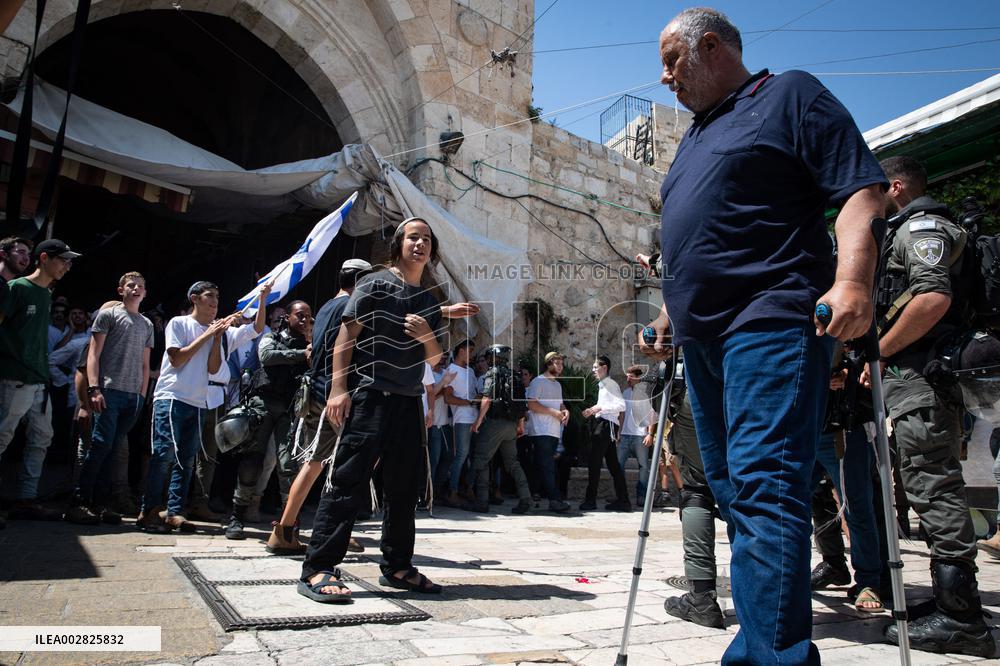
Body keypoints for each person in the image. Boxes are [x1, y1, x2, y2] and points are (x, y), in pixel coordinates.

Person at [642, 8, 887, 663]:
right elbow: (698, 236)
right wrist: (667, 316)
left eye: (671, 61)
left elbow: (862, 191)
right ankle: (760, 644)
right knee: (732, 493)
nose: (664, 77)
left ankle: (771, 657)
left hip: (770, 319)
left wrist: (853, 280)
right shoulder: (696, 135)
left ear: (710, 46)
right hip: (701, 339)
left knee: (764, 487)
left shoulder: (789, 94)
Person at [872, 156, 993, 656]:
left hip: (922, 375)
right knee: (929, 481)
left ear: (896, 186)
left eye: (877, 188)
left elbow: (931, 298)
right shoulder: (908, 228)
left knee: (933, 483)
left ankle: (961, 617)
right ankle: (953, 602)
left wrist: (880, 352)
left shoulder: (921, 229)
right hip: (917, 376)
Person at [298, 217, 443, 603]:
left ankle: (398, 566)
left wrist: (427, 336)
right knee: (347, 481)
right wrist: (338, 388)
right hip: (369, 396)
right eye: (413, 237)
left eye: (427, 239)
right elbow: (346, 337)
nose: (420, 244)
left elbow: (435, 359)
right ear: (399, 244)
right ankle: (318, 568)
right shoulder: (374, 284)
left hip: (408, 401)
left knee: (403, 489)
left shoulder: (430, 301)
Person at [139, 281, 269, 533]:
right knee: (164, 455)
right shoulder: (179, 323)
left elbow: (255, 329)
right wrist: (209, 334)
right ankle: (149, 510)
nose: (215, 302)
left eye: (217, 297)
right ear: (194, 298)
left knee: (187, 460)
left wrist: (262, 299)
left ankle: (174, 511)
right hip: (172, 397)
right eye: (210, 296)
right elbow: (177, 358)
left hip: (199, 401)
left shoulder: (223, 333)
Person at [267, 259, 371, 554]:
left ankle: (285, 530)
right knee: (350, 465)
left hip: (318, 392)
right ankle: (331, 531)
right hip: (335, 396)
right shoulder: (350, 306)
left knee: (315, 464)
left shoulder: (327, 306)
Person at [0, 239, 79, 527]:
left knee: (41, 439)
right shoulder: (17, 288)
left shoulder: (46, 294)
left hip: (38, 380)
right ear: (44, 258)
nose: (67, 266)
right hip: (14, 377)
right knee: (2, 437)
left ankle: (26, 498)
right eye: (63, 260)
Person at [65, 273, 154, 525]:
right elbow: (93, 355)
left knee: (113, 449)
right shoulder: (108, 315)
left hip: (132, 396)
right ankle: (80, 501)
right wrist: (94, 389)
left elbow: (145, 364)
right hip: (108, 391)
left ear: (145, 292)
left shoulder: (147, 324)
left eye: (140, 286)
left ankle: (101, 504)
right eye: (131, 285)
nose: (136, 289)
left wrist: (141, 394)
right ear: (120, 290)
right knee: (100, 445)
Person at [224, 299, 311, 540]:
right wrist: (300, 354)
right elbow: (266, 356)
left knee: (287, 465)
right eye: (300, 315)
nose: (304, 320)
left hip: (288, 410)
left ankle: (289, 522)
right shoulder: (272, 337)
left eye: (308, 316)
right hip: (263, 405)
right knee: (252, 462)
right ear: (287, 317)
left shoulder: (310, 345)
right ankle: (237, 517)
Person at [663, 364, 724, 629]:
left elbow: (661, 344)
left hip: (700, 384)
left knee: (696, 490)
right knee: (754, 490)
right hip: (759, 382)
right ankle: (766, 593)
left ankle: (702, 599)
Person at [465, 345, 533, 514]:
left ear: (492, 357)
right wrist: (520, 425)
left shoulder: (492, 373)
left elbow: (487, 399)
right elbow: (521, 404)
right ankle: (526, 499)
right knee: (513, 463)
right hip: (511, 425)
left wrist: (478, 421)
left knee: (481, 459)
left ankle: (482, 502)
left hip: (495, 423)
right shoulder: (514, 375)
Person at [580, 355, 630, 511]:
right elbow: (606, 405)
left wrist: (599, 408)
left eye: (596, 367)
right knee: (613, 465)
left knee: (594, 463)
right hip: (606, 426)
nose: (593, 370)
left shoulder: (610, 384)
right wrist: (593, 409)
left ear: (605, 368)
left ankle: (591, 500)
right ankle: (623, 501)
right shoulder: (604, 385)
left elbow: (621, 406)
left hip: (605, 426)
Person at [525, 351, 570, 513]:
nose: (561, 367)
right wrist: (553, 412)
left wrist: (565, 411)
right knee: (548, 466)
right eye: (557, 363)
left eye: (561, 364)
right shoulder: (538, 381)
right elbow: (531, 404)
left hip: (554, 431)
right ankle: (554, 500)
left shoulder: (557, 385)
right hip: (540, 430)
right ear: (549, 364)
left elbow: (560, 404)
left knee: (540, 466)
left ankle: (528, 498)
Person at [442, 339, 479, 507]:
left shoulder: (470, 371)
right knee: (462, 455)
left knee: (472, 456)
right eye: (470, 351)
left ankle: (466, 489)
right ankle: (452, 491)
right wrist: (469, 402)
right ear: (461, 351)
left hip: (474, 417)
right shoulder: (451, 370)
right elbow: (448, 398)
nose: (472, 354)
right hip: (462, 419)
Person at [618, 365, 656, 507]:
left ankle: (641, 496)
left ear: (638, 378)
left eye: (631, 376)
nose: (628, 379)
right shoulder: (625, 393)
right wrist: (619, 432)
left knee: (644, 467)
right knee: (618, 465)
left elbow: (651, 415)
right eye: (627, 376)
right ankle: (621, 496)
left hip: (641, 435)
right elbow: (622, 414)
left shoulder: (646, 393)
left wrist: (650, 434)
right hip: (625, 435)